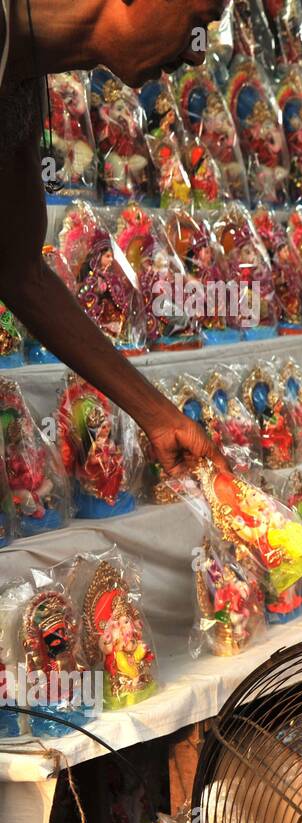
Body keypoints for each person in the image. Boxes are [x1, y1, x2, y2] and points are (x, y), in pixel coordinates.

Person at [0, 0, 224, 476]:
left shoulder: (26, 78)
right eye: (202, 18)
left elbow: (16, 267)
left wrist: (158, 416)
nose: (197, 55)